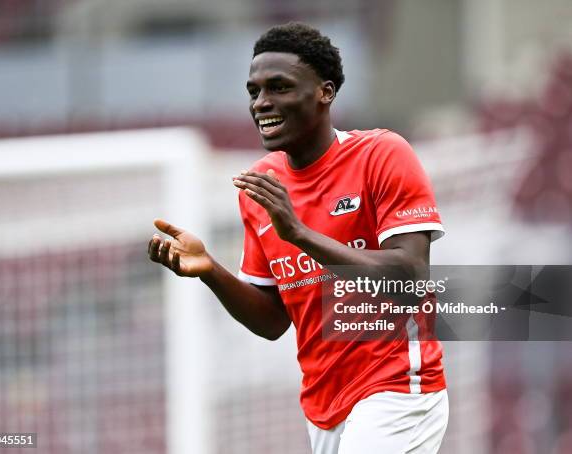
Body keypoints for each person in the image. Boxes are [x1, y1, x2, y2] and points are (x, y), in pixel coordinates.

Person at [148, 22, 448, 454]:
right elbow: (272, 321)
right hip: (323, 405)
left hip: (397, 388)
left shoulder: (381, 155)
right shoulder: (260, 186)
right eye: (254, 91)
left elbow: (412, 279)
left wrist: (300, 234)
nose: (262, 103)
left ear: (325, 92)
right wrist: (210, 270)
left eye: (279, 87)